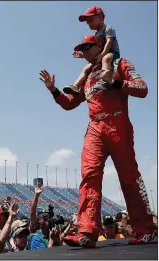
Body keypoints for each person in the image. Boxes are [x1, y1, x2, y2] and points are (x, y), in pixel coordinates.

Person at [39, 34, 155, 248]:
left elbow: (143, 89)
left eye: (87, 48)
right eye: (81, 49)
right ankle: (86, 232)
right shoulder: (88, 76)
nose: (84, 53)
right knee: (89, 177)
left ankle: (146, 229)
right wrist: (53, 90)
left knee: (128, 177)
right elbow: (69, 104)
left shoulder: (119, 63)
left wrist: (116, 82)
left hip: (118, 125)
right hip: (94, 130)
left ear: (99, 45)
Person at [64, 6, 120, 95]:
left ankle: (105, 79)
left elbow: (109, 42)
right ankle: (75, 86)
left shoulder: (108, 28)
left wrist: (103, 54)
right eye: (87, 23)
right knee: (86, 67)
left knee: (106, 59)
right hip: (101, 54)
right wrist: (84, 55)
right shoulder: (96, 34)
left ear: (101, 17)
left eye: (91, 21)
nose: (89, 24)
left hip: (112, 52)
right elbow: (96, 48)